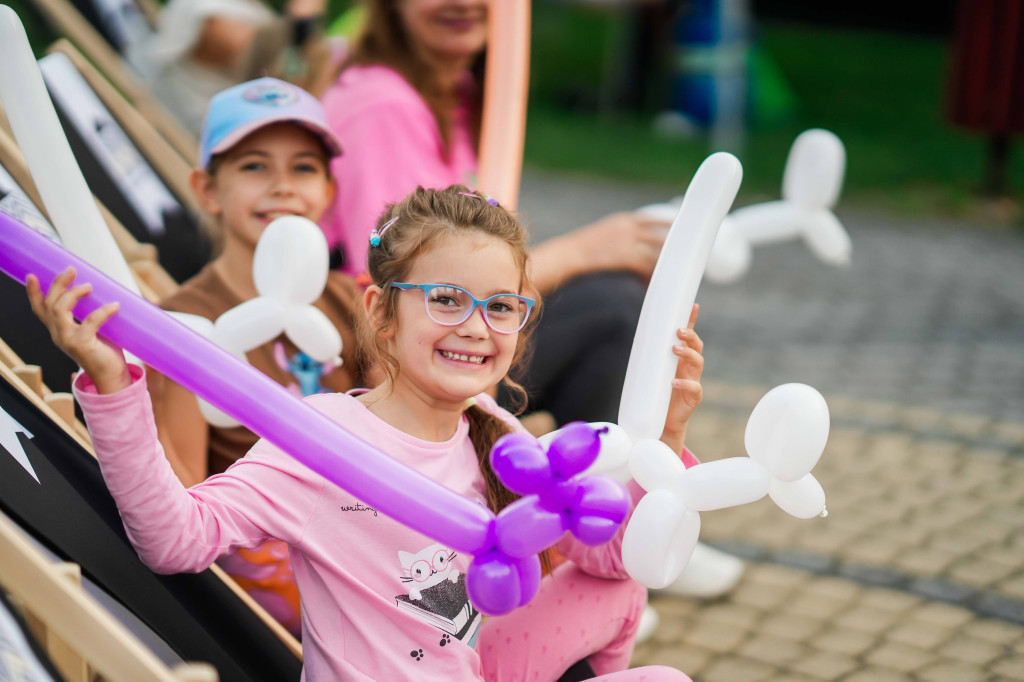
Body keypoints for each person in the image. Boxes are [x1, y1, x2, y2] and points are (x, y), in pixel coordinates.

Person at [27, 185, 703, 681]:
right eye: (445, 299)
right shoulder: (320, 438)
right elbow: (175, 541)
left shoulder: (492, 429)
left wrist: (664, 437)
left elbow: (610, 560)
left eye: (501, 307)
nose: (475, 326)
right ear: (382, 311)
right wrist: (114, 388)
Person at [318, 0, 745, 609]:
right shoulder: (381, 104)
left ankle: (623, 520)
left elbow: (463, 266)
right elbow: (410, 280)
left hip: (431, 337)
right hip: (378, 360)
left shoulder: (454, 94)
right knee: (609, 310)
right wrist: (583, 248)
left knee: (613, 302)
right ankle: (605, 525)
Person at [152, 77, 367, 637]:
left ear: (326, 190)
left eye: (303, 167)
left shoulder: (347, 298)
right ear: (207, 189)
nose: (281, 186)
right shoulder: (183, 323)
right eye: (253, 167)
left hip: (374, 525)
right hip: (275, 557)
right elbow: (181, 490)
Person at [126, 0, 329, 134]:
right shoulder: (209, 8)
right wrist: (299, 27)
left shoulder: (262, 15)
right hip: (164, 114)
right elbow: (235, 45)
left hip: (199, 130)